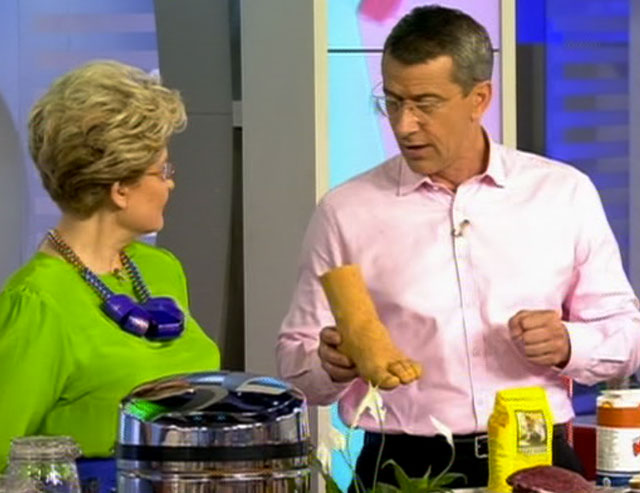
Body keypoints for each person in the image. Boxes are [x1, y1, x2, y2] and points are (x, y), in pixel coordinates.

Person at [276, 5, 640, 489]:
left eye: (425, 103)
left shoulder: (562, 193)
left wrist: (569, 343)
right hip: (402, 465)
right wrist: (330, 364)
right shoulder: (345, 211)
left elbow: (627, 337)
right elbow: (295, 366)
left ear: (479, 98)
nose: (404, 125)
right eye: (392, 101)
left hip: (539, 456)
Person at [0, 61, 220, 490]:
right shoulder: (39, 301)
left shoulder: (161, 269)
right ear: (120, 189)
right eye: (163, 171)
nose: (171, 184)